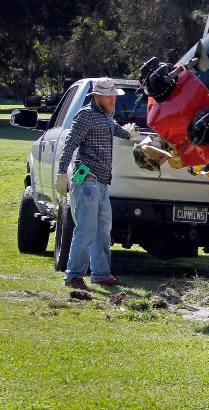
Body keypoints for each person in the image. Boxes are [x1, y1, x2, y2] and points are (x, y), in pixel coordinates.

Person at [56, 78, 139, 289]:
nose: (113, 99)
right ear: (97, 97)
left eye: (114, 96)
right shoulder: (86, 115)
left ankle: (101, 274)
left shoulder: (106, 116)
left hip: (100, 183)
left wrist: (130, 134)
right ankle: (73, 275)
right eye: (109, 96)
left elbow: (115, 129)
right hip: (87, 180)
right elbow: (70, 144)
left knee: (103, 231)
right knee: (86, 229)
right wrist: (61, 173)